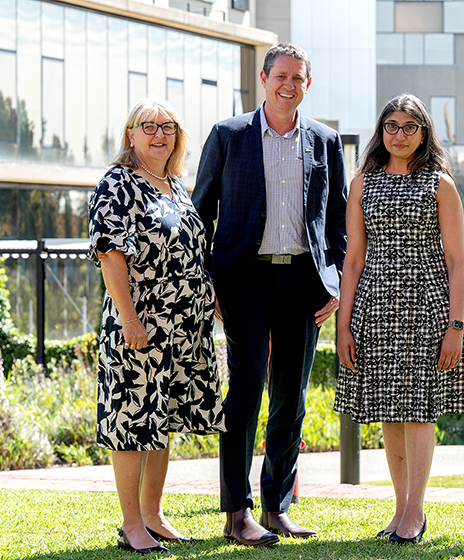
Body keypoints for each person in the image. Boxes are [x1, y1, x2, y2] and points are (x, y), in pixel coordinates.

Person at [193, 43, 347, 546]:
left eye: (298, 78)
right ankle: (237, 512)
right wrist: (210, 282)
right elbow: (200, 214)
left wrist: (336, 282)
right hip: (245, 282)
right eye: (281, 76)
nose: (289, 85)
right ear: (264, 79)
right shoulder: (228, 135)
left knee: (291, 397)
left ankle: (277, 507)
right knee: (245, 391)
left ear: (307, 84)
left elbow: (339, 220)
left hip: (304, 282)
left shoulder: (325, 141)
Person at [334, 93, 464, 545]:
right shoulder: (362, 183)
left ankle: (415, 511)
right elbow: (353, 260)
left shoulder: (440, 184)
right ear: (381, 131)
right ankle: (399, 508)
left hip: (428, 309)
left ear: (424, 133)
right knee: (390, 412)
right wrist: (343, 325)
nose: (399, 135)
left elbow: (457, 262)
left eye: (409, 127)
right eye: (392, 126)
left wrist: (454, 327)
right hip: (376, 309)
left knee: (418, 410)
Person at [88, 96, 224, 554]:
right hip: (141, 322)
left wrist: (208, 294)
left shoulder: (175, 185)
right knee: (132, 420)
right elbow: (111, 253)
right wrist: (129, 318)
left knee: (161, 418)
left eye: (168, 127)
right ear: (131, 135)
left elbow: (191, 250)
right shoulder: (117, 183)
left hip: (183, 324)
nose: (159, 134)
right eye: (148, 126)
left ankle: (153, 515)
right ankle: (131, 525)